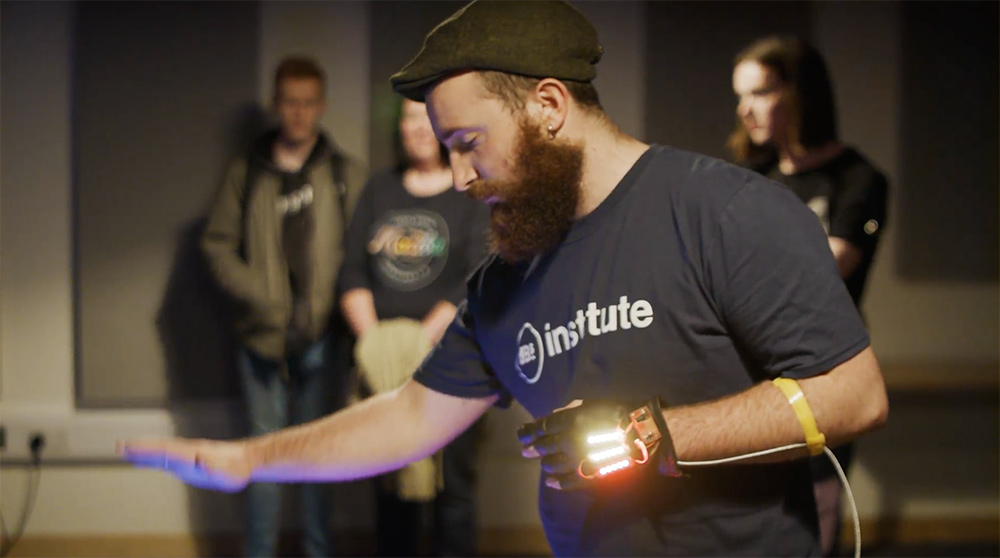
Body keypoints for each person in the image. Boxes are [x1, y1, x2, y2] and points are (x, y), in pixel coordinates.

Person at [122, 3, 889, 557]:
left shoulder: (726, 211)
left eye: (467, 143)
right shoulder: (504, 282)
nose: (457, 176)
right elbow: (408, 418)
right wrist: (252, 458)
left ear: (550, 106)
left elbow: (853, 395)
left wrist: (649, 435)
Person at [728, 36, 890, 557]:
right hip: (749, 375)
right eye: (740, 95)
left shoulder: (857, 179)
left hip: (822, 372)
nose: (744, 109)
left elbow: (830, 267)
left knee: (814, 531)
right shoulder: (750, 179)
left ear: (798, 93)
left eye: (759, 93)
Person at [199, 55, 366, 557]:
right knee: (262, 457)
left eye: (308, 103)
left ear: (322, 105)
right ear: (276, 104)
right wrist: (261, 296)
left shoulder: (344, 173)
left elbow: (360, 250)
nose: (298, 114)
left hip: (322, 338)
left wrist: (337, 306)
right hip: (260, 338)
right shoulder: (245, 174)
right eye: (289, 102)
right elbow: (217, 244)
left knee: (318, 458)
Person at [338, 97, 489, 557]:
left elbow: (477, 275)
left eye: (426, 119)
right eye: (408, 118)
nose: (417, 128)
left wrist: (420, 340)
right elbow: (350, 272)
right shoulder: (379, 189)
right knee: (392, 489)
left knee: (453, 490)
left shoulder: (468, 190)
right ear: (398, 128)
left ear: (444, 127)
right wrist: (376, 344)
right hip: (383, 370)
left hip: (454, 363)